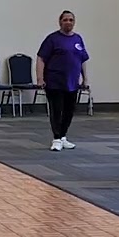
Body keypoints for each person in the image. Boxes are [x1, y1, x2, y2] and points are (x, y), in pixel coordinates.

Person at [36, 10, 90, 151]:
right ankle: (56, 138)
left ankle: (63, 136)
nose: (68, 22)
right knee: (56, 110)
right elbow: (41, 58)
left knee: (69, 110)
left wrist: (85, 79)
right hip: (55, 81)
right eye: (65, 20)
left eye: (71, 20)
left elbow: (82, 59)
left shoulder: (78, 39)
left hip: (72, 82)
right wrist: (40, 78)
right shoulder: (52, 39)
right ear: (60, 22)